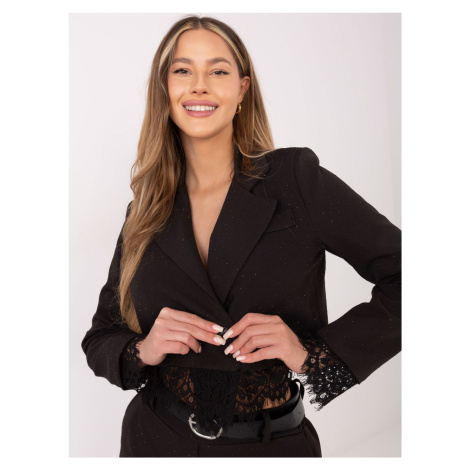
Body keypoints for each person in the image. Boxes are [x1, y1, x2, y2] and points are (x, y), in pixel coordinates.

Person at [81, 15, 401, 458]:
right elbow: (101, 336)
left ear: (242, 89)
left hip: (272, 447)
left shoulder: (294, 181)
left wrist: (311, 355)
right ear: (164, 89)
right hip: (153, 440)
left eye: (217, 70)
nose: (199, 85)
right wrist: (144, 348)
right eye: (182, 70)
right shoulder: (146, 208)